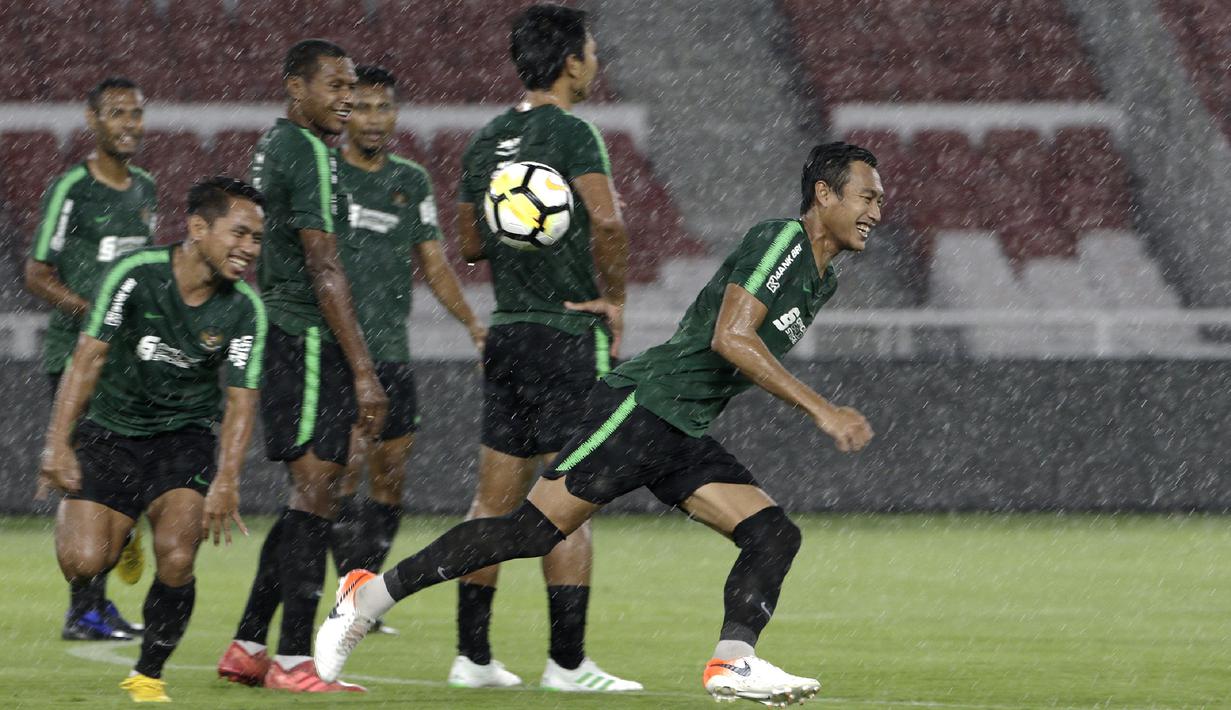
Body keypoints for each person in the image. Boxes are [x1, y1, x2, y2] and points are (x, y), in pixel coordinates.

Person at [315, 142, 883, 707]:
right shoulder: (781, 239)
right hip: (642, 406)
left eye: (880, 200)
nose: (876, 212)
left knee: (772, 534)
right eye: (866, 196)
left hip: (681, 427)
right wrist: (821, 409)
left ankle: (733, 661)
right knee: (530, 533)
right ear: (823, 194)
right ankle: (368, 595)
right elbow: (729, 336)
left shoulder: (822, 277)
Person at [437, 4, 637, 691]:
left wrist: (519, 232)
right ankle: (567, 663)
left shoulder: (488, 139)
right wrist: (615, 301)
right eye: (590, 50)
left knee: (491, 502)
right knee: (570, 498)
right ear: (570, 62)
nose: (595, 61)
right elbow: (608, 225)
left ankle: (472, 657)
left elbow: (466, 244)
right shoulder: (574, 136)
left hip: (509, 332)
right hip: (566, 335)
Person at [39, 176, 267, 703]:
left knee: (178, 557)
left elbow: (239, 401)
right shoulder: (134, 275)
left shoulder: (244, 309)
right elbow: (87, 357)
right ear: (197, 228)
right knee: (84, 563)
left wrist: (228, 479)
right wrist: (57, 442)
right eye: (239, 234)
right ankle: (122, 538)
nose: (248, 250)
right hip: (111, 431)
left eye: (256, 239)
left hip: (183, 439)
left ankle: (148, 674)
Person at [216, 39, 384, 694]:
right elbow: (322, 265)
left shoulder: (279, 144)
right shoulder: (307, 151)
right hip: (307, 337)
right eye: (336, 87)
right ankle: (291, 660)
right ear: (296, 88)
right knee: (317, 497)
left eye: (351, 88)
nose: (347, 98)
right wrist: (362, 369)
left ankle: (250, 644)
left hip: (290, 334)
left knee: (304, 500)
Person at [327, 65, 486, 616]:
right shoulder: (326, 177)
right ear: (346, 113)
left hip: (392, 351)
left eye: (384, 108)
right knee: (342, 467)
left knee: (390, 475)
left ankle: (363, 589)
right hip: (338, 351)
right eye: (363, 108)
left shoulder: (410, 180)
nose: (375, 119)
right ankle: (349, 590)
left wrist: (471, 321)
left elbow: (436, 264)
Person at [25, 75, 156, 642]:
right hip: (77, 357)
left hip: (129, 362)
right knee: (86, 479)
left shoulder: (145, 189)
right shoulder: (71, 189)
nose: (128, 124)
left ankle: (112, 564)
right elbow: (36, 274)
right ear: (93, 121)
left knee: (126, 475)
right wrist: (91, 311)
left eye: (135, 114)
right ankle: (84, 607)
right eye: (117, 114)